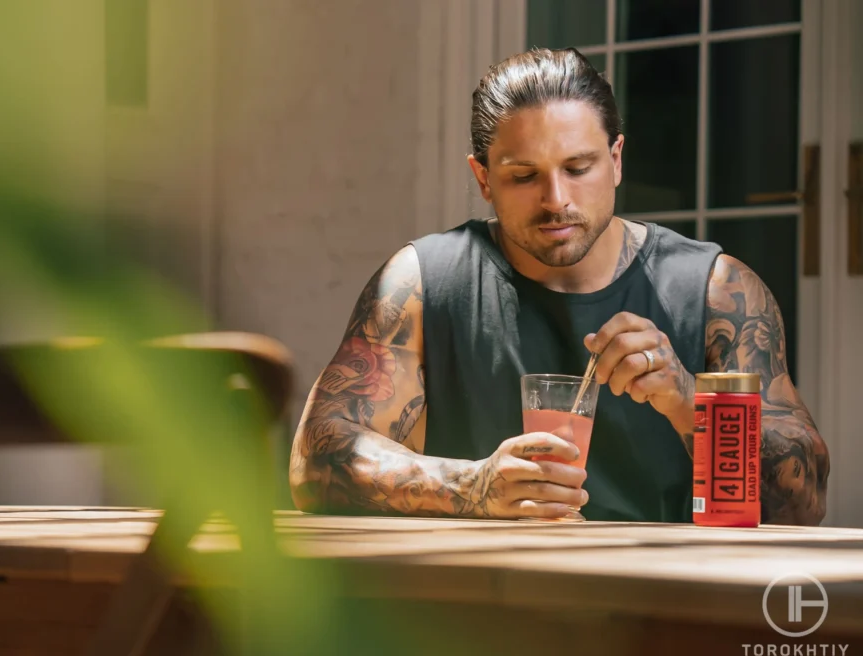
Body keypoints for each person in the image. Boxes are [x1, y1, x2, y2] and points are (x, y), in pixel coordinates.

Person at [288, 47, 829, 525]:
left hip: (665, 610)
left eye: (578, 167)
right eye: (524, 176)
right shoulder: (423, 283)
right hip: (474, 611)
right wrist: (473, 487)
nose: (556, 199)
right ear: (483, 179)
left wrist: (688, 398)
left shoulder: (717, 291)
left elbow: (804, 502)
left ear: (615, 161)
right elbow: (316, 462)